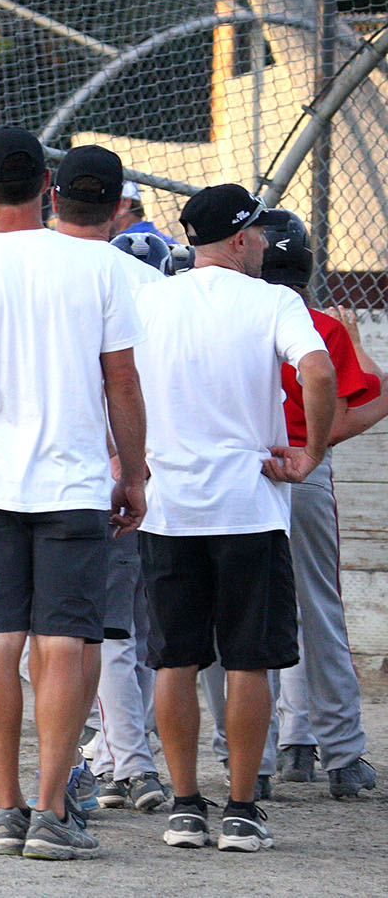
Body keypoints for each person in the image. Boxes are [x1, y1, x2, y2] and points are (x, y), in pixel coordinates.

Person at [0, 127, 147, 861]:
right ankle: (52, 808)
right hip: (74, 482)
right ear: (49, 183)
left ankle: (5, 806)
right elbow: (122, 380)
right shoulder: (98, 266)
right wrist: (133, 474)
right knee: (66, 641)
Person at [135, 184, 335, 854]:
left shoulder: (151, 298)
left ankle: (186, 805)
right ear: (244, 238)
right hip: (248, 507)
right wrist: (309, 454)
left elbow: (118, 382)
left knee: (175, 661)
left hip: (170, 507)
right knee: (249, 661)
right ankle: (244, 808)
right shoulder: (274, 300)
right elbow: (319, 372)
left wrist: (130, 461)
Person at [50, 146, 169, 814]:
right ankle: (124, 753)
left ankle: (127, 759)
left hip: (105, 474)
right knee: (137, 629)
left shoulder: (49, 272)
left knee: (109, 628)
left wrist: (125, 464)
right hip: (149, 473)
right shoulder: (149, 284)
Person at [257, 209, 382, 799]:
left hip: (236, 476)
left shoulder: (225, 313)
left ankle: (258, 758)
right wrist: (313, 443)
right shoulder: (318, 325)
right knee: (318, 612)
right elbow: (364, 399)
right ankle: (340, 756)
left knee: (239, 614)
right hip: (302, 472)